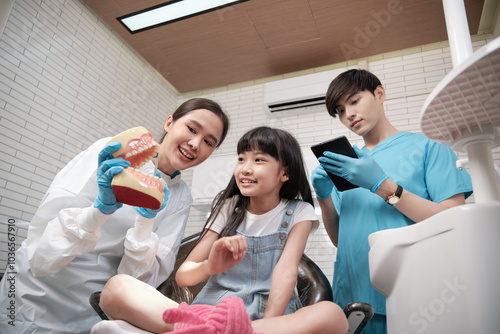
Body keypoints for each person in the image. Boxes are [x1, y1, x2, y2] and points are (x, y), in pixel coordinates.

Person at [0, 98, 230, 334]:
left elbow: (139, 282)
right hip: (35, 294)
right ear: (169, 122)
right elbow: (43, 254)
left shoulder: (180, 198)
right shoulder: (112, 153)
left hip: (91, 310)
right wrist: (99, 211)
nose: (195, 144)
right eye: (191, 129)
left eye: (208, 142)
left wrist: (145, 223)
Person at [92, 126, 348, 334]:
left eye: (259, 160)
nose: (245, 168)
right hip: (211, 312)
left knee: (332, 315)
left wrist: (267, 325)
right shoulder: (228, 207)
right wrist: (210, 267)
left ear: (284, 173)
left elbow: (286, 271)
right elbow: (184, 277)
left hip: (267, 321)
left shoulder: (298, 211)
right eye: (241, 159)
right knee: (116, 287)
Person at [310, 69, 473, 333]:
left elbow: (453, 223)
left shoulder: (429, 147)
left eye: (354, 101)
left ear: (380, 94)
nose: (348, 114)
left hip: (413, 295)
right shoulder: (346, 165)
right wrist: (324, 196)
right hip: (352, 300)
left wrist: (383, 186)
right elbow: (343, 239)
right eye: (340, 110)